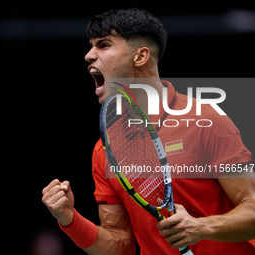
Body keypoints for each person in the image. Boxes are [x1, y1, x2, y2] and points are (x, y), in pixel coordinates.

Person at [41, 8, 255, 254]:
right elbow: (120, 245)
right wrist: (70, 219)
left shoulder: (205, 120)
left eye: (104, 45)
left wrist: (201, 227)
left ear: (141, 56)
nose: (89, 55)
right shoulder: (106, 150)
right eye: (91, 46)